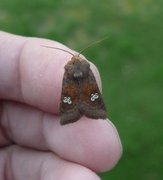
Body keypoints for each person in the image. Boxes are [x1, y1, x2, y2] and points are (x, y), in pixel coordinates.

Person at [0, 31, 122, 180]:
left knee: (68, 99)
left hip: (70, 93)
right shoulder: (86, 68)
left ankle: (70, 112)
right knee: (92, 95)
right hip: (89, 90)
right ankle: (94, 109)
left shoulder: (68, 69)